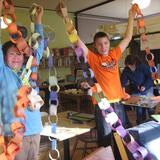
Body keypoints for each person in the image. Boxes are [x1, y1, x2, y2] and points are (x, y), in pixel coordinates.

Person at [59, 3, 135, 147]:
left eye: (106, 43)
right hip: (102, 105)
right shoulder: (93, 58)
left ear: (109, 44)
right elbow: (76, 40)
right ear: (95, 46)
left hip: (118, 103)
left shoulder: (114, 55)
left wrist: (131, 16)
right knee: (105, 139)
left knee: (122, 138)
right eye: (99, 44)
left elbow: (128, 37)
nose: (103, 46)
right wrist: (65, 16)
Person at [0, 2, 44, 160]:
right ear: (3, 57)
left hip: (35, 132)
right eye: (12, 54)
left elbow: (38, 49)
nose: (17, 57)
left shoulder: (28, 71)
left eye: (19, 54)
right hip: (14, 134)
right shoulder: (3, 73)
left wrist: (38, 20)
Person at [121, 54, 154, 124]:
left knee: (150, 107)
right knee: (139, 109)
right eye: (128, 65)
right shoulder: (126, 70)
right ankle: (140, 124)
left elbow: (149, 78)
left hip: (147, 88)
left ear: (135, 63)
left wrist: (144, 86)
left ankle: (153, 123)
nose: (130, 67)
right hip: (136, 90)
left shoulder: (142, 66)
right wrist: (123, 93)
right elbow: (123, 82)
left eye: (131, 65)